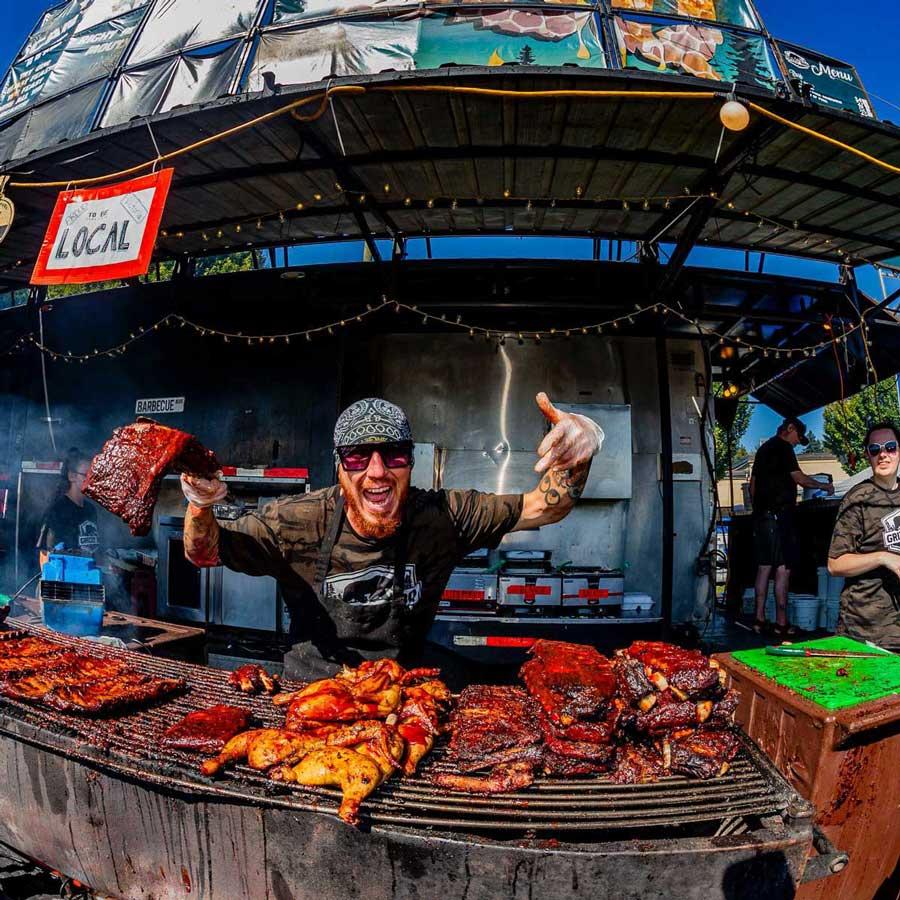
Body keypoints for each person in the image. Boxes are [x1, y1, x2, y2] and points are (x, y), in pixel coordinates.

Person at [181, 393, 603, 680]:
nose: (378, 471)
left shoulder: (444, 517)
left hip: (403, 696)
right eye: (359, 456)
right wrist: (199, 504)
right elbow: (205, 551)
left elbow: (545, 506)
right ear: (340, 466)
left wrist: (581, 449)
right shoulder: (298, 520)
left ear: (411, 462)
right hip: (311, 694)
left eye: (394, 454)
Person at [748, 416, 834, 636]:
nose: (797, 442)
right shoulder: (784, 448)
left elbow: (753, 486)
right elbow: (800, 479)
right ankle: (781, 623)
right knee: (783, 569)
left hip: (762, 517)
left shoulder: (763, 449)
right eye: (798, 437)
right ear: (790, 428)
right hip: (780, 515)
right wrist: (824, 486)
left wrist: (759, 510)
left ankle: (758, 620)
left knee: (763, 566)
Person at [827, 422, 900, 651]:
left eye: (890, 447)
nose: (883, 455)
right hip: (865, 629)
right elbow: (834, 564)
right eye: (875, 449)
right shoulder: (856, 499)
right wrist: (883, 558)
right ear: (867, 455)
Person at [37, 448, 99, 555]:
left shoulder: (91, 510)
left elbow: (95, 550)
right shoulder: (56, 511)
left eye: (93, 476)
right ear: (72, 476)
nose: (91, 480)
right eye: (86, 475)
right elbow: (44, 554)